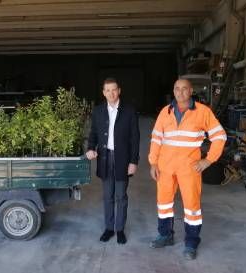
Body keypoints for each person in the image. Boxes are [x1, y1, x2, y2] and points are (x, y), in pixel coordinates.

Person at [148, 79, 227, 259]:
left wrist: (208, 160)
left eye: (184, 89)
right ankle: (165, 235)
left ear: (191, 90)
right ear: (173, 91)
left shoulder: (202, 112)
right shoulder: (165, 112)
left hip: (189, 168)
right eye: (177, 88)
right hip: (165, 167)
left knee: (192, 207)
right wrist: (153, 162)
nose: (180, 92)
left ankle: (191, 243)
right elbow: (156, 139)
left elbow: (220, 136)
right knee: (164, 204)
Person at [86, 77, 140, 244]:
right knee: (107, 196)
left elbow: (135, 138)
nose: (111, 93)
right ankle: (109, 228)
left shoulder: (129, 111)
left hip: (123, 159)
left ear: (119, 91)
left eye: (114, 89)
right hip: (104, 157)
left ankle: (120, 229)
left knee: (121, 196)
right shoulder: (98, 111)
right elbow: (93, 132)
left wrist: (133, 161)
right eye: (107, 90)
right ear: (104, 93)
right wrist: (90, 148)